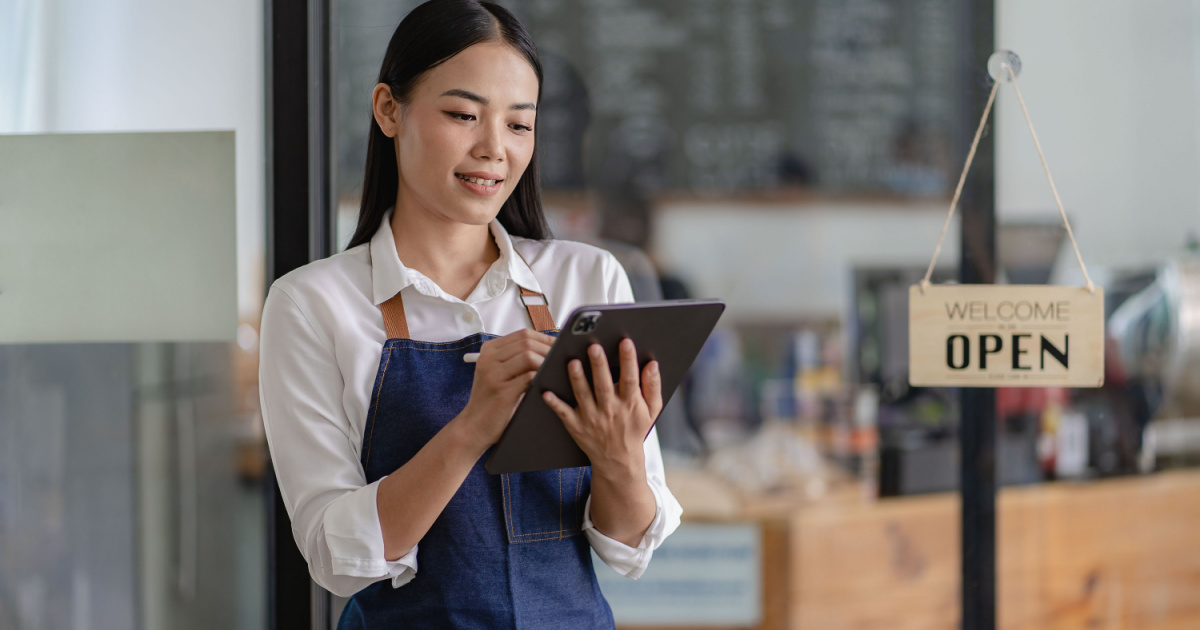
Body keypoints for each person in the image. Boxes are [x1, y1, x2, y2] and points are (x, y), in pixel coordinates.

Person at [257, 1, 682, 627]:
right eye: (462, 115)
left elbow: (627, 547)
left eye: (519, 125)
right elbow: (335, 556)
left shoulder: (586, 281)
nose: (493, 150)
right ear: (388, 110)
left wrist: (618, 458)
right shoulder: (312, 304)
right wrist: (471, 427)